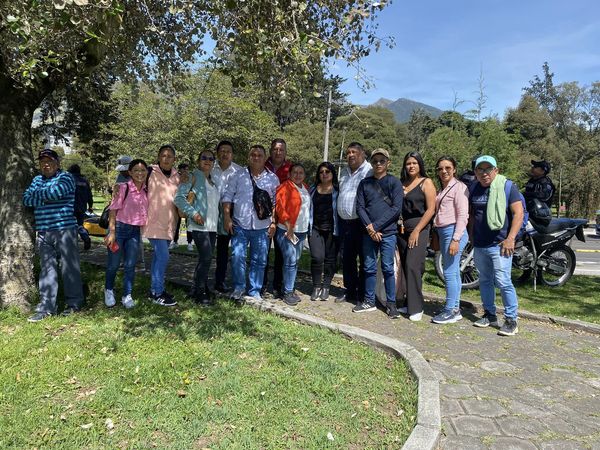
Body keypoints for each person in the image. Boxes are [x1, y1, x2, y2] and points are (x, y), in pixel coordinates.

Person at [23, 149, 84, 322]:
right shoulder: (37, 179)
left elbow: (55, 193)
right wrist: (46, 197)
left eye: (49, 161)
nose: (46, 165)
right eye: (42, 162)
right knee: (47, 270)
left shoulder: (66, 177)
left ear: (57, 163)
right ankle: (47, 307)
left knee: (69, 268)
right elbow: (26, 199)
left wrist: (39, 196)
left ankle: (74, 304)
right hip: (43, 231)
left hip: (65, 229)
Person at [469, 155, 524, 336]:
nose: (484, 173)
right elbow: (472, 215)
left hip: (501, 244)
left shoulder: (507, 186)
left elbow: (518, 213)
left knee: (503, 281)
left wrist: (511, 238)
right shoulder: (474, 187)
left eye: (488, 169)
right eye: (480, 169)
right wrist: (471, 236)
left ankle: (511, 320)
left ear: (496, 170)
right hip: (480, 244)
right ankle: (489, 314)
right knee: (485, 280)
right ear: (476, 172)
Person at [222, 145, 279, 303]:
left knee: (259, 260)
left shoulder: (272, 178)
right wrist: (227, 217)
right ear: (249, 157)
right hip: (240, 225)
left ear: (265, 158)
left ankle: (254, 291)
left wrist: (273, 222)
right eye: (253, 154)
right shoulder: (238, 175)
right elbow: (227, 196)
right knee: (237, 256)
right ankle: (239, 288)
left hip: (263, 227)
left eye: (259, 155)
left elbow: (275, 203)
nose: (256, 157)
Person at [354, 149, 403, 318]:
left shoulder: (394, 183)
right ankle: (369, 300)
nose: (378, 164)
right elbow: (360, 207)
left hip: (388, 233)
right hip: (368, 234)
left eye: (382, 160)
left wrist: (375, 226)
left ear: (388, 163)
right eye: (375, 161)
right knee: (369, 267)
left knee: (388, 268)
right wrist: (370, 228)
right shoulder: (364, 183)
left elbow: (396, 209)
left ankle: (391, 304)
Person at [174, 150, 220, 306]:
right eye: (204, 158)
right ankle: (200, 294)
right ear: (198, 161)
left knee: (205, 259)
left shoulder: (213, 181)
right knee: (206, 258)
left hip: (212, 227)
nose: (208, 160)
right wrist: (194, 214)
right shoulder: (192, 176)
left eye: (211, 159)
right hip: (199, 226)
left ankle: (197, 289)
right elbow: (178, 199)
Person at [104, 159, 149, 309]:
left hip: (134, 232)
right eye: (136, 170)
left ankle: (127, 295)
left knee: (130, 265)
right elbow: (113, 211)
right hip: (119, 229)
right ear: (130, 172)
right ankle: (108, 290)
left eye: (143, 170)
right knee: (114, 265)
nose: (140, 173)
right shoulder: (123, 188)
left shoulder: (146, 190)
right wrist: (112, 233)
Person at [397, 151, 436, 321]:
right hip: (401, 229)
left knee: (413, 265)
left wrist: (417, 230)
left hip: (419, 228)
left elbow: (431, 209)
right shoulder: (401, 183)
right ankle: (409, 302)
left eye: (414, 163)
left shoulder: (426, 182)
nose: (411, 166)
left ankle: (417, 308)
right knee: (405, 266)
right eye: (408, 163)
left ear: (420, 165)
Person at [430, 156, 470, 324]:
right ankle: (454, 308)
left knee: (449, 272)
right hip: (443, 231)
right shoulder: (443, 189)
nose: (444, 171)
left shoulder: (459, 187)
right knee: (453, 272)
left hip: (453, 231)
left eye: (447, 168)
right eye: (440, 168)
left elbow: (463, 215)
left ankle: (450, 310)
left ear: (454, 169)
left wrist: (455, 239)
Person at [335, 142, 372, 304]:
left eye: (354, 152)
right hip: (345, 223)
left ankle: (362, 294)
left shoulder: (369, 171)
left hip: (361, 223)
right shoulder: (344, 172)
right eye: (348, 152)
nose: (350, 155)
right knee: (347, 258)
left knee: (364, 259)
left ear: (362, 154)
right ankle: (350, 290)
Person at [144, 144, 180, 306]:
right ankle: (158, 293)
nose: (166, 159)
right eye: (163, 156)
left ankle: (154, 290)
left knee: (158, 258)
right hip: (153, 223)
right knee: (163, 257)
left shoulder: (177, 176)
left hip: (170, 224)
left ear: (174, 159)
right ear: (159, 157)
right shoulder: (149, 172)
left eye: (169, 156)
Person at [275, 163, 311, 306]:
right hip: (287, 230)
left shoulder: (305, 187)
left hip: (301, 232)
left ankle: (289, 287)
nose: (298, 175)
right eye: (295, 172)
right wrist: (288, 225)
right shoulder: (285, 187)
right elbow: (280, 207)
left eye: (301, 172)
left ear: (304, 175)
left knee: (294, 261)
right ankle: (287, 292)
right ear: (289, 174)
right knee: (290, 260)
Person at [262, 138, 293, 297]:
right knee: (263, 252)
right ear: (270, 150)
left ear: (285, 152)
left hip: (284, 217)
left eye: (281, 150)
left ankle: (278, 286)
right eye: (275, 149)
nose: (278, 152)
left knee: (282, 253)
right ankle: (261, 284)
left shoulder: (291, 168)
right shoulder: (262, 165)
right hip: (264, 216)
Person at [211, 140, 242, 293]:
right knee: (208, 247)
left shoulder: (239, 171)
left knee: (225, 249)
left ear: (232, 154)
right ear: (217, 153)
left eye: (228, 151)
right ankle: (201, 281)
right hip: (211, 210)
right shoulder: (210, 167)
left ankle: (220, 281)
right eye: (222, 151)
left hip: (231, 212)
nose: (225, 154)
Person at [308, 162, 339, 302]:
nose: (324, 174)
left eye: (327, 171)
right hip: (315, 228)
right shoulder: (313, 189)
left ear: (332, 173)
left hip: (333, 229)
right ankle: (316, 286)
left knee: (330, 259)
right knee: (317, 257)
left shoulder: (338, 190)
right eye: (321, 172)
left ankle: (326, 286)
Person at [67, 164, 93, 250]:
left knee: (70, 226)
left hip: (70, 207)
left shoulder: (69, 180)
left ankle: (72, 245)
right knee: (80, 225)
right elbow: (89, 195)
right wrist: (90, 206)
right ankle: (86, 237)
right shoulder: (85, 181)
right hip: (82, 207)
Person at [170, 163, 194, 251]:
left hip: (188, 203)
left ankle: (189, 243)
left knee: (188, 224)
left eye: (187, 169)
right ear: (180, 170)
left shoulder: (190, 178)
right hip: (178, 204)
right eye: (184, 169)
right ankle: (175, 241)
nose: (186, 171)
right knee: (177, 223)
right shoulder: (177, 178)